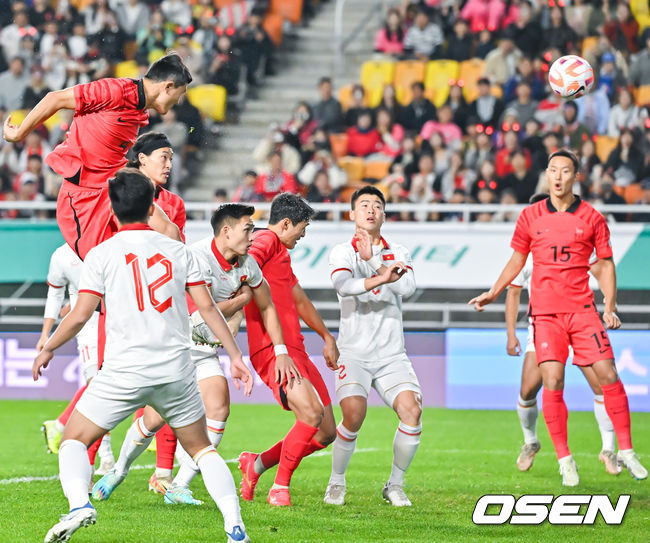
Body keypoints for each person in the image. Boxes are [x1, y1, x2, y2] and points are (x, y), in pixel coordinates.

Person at [32, 169, 252, 543]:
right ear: (153, 207)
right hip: (175, 370)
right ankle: (235, 527)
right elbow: (210, 309)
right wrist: (235, 356)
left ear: (112, 211)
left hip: (124, 370)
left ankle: (79, 505)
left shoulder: (101, 254)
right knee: (201, 450)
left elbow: (81, 313)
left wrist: (49, 346)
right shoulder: (179, 251)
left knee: (72, 440)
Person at [95, 203, 299, 506]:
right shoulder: (196, 257)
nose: (253, 236)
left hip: (205, 350)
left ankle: (178, 485)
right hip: (174, 347)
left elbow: (267, 305)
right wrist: (241, 300)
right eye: (247, 228)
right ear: (226, 231)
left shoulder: (247, 263)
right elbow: (198, 311)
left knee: (219, 408)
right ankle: (119, 471)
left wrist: (279, 350)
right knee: (153, 419)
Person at [469, 149, 647, 485]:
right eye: (553, 170)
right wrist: (493, 291)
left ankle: (622, 449)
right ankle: (564, 458)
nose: (559, 176)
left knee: (607, 374)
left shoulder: (593, 218)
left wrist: (609, 306)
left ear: (576, 176)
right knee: (549, 381)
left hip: (582, 311)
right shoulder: (530, 216)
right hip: (546, 315)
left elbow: (605, 265)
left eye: (565, 170)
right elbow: (516, 262)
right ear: (547, 175)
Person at [2, 52, 192, 260]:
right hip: (82, 197)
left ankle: (189, 285)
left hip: (113, 187)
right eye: (180, 93)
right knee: (107, 267)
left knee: (169, 232)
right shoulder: (115, 91)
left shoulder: (141, 112)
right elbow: (55, 98)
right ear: (167, 87)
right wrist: (19, 133)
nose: (178, 100)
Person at [505, 195, 620, 474]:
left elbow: (602, 269)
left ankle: (608, 449)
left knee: (603, 383)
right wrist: (511, 333)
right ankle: (531, 441)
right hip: (544, 326)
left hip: (578, 321)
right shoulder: (527, 256)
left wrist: (609, 306)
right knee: (528, 389)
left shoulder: (576, 246)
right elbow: (514, 293)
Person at [238, 193, 340, 507]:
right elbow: (243, 263)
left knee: (325, 433)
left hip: (296, 350)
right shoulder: (267, 239)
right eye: (302, 228)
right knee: (310, 413)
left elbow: (298, 299)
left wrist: (326, 336)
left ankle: (255, 465)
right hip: (273, 349)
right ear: (285, 223)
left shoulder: (281, 255)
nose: (303, 235)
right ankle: (279, 487)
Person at [323, 186, 421, 507]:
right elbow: (343, 285)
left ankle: (395, 484)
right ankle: (336, 482)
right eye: (363, 204)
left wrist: (376, 261)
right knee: (353, 415)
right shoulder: (341, 252)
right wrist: (381, 276)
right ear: (352, 214)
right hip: (353, 352)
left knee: (412, 413)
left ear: (384, 215)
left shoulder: (399, 251)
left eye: (377, 205)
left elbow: (406, 287)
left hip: (392, 354)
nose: (370, 209)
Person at [38, 244, 115, 476]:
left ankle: (60, 425)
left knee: (116, 386)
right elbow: (55, 294)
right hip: (88, 327)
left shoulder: (107, 244)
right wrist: (45, 334)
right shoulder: (61, 256)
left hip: (118, 322)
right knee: (97, 386)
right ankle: (105, 458)